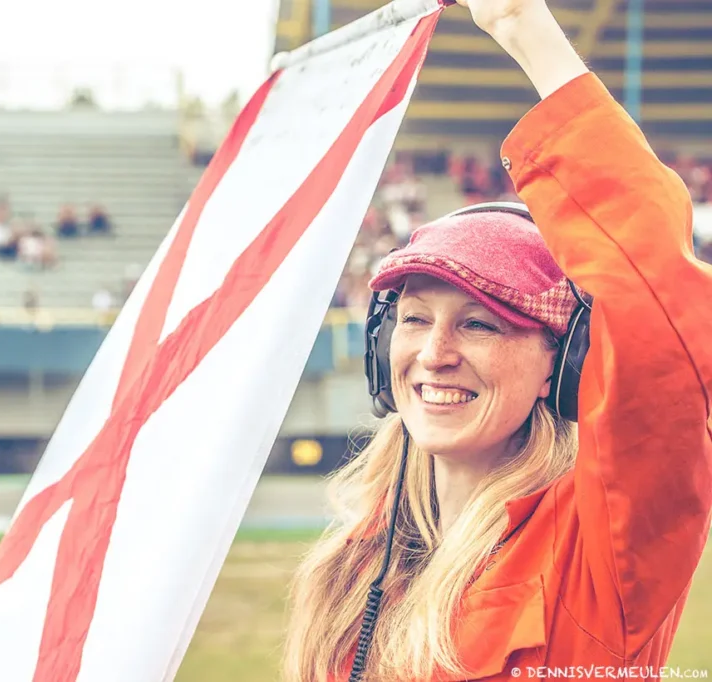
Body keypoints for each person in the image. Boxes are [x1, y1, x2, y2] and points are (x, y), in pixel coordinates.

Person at [282, 1, 712, 681]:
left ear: (559, 367)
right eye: (415, 319)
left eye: (479, 323)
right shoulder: (352, 568)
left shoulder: (601, 553)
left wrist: (522, 26)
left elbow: (657, 302)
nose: (434, 354)